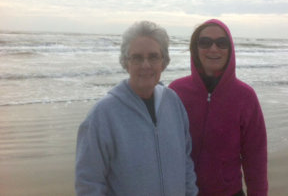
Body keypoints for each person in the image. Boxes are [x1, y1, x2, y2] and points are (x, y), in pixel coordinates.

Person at [75, 21, 198, 196]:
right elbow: (88, 183)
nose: (145, 65)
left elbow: (186, 161)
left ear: (163, 62)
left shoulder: (173, 103)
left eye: (153, 56)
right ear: (126, 63)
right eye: (137, 57)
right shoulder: (103, 115)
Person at [169, 19, 268, 196]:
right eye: (205, 42)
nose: (213, 49)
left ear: (230, 49)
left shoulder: (245, 96)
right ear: (195, 49)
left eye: (221, 43)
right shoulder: (176, 91)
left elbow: (256, 158)